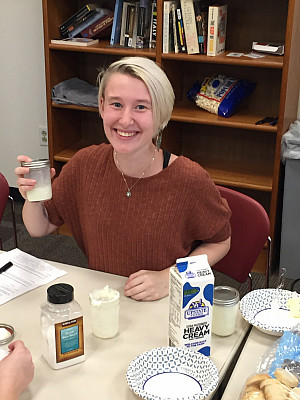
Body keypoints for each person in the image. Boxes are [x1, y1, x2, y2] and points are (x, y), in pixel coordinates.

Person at [15, 57, 231, 301]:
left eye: (141, 107)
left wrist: (173, 277)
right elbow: (38, 228)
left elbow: (221, 242)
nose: (126, 120)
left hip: (159, 305)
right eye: (116, 104)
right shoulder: (85, 164)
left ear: (161, 115)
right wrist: (32, 196)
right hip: (102, 299)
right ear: (101, 106)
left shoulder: (189, 179)